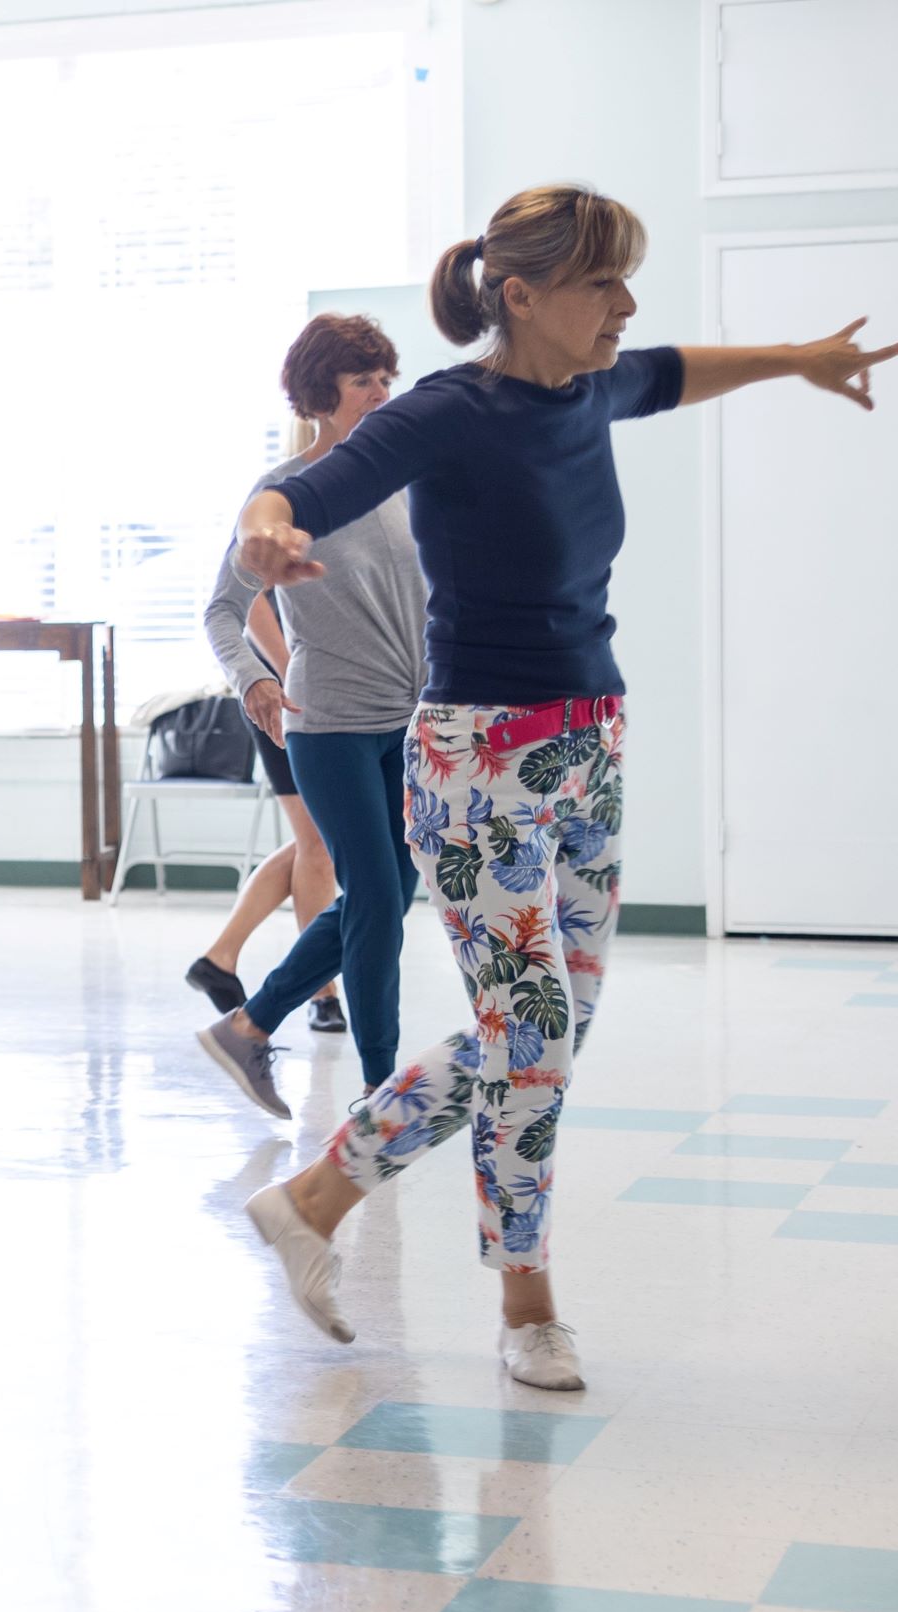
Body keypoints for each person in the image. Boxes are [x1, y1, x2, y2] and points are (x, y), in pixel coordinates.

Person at [233, 184, 896, 1390]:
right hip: (477, 759)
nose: (623, 307)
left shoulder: (589, 387)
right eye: (602, 283)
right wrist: (263, 528)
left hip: (590, 744)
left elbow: (679, 367)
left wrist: (797, 359)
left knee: (540, 1034)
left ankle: (311, 1198)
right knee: (528, 1029)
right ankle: (525, 1300)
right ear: (522, 296)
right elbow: (310, 487)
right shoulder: (449, 411)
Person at [197, 314, 426, 1108]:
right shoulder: (289, 492)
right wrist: (252, 679)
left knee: (387, 896)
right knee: (375, 898)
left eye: (384, 378)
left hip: (412, 720)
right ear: (319, 393)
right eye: (361, 379)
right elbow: (222, 609)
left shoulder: (406, 479)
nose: (379, 392)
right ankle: (377, 1084)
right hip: (328, 725)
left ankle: (251, 1023)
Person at [183, 588, 346, 1037]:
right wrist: (290, 672)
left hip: (338, 691)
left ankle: (220, 957)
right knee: (319, 843)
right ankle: (322, 991)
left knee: (322, 839)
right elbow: (249, 598)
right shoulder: (275, 518)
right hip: (289, 692)